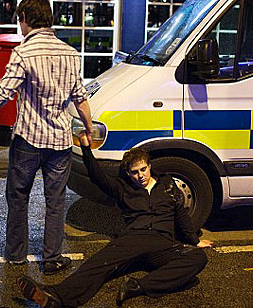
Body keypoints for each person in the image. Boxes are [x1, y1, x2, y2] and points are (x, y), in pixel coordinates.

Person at [0, 0, 93, 274]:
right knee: (55, 201)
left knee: (18, 197)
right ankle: (51, 258)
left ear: (25, 19)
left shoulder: (23, 53)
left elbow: (0, 96)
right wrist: (89, 126)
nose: (19, 26)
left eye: (19, 20)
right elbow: (80, 98)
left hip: (27, 141)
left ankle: (16, 255)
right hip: (59, 142)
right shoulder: (71, 54)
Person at [16, 132, 214, 307]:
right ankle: (57, 296)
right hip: (134, 239)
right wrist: (86, 148)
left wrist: (195, 241)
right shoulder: (123, 188)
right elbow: (97, 177)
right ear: (128, 173)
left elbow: (180, 213)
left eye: (143, 169)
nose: (140, 176)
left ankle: (139, 286)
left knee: (196, 258)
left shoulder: (167, 185)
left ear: (149, 166)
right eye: (135, 172)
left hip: (163, 243)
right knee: (98, 265)